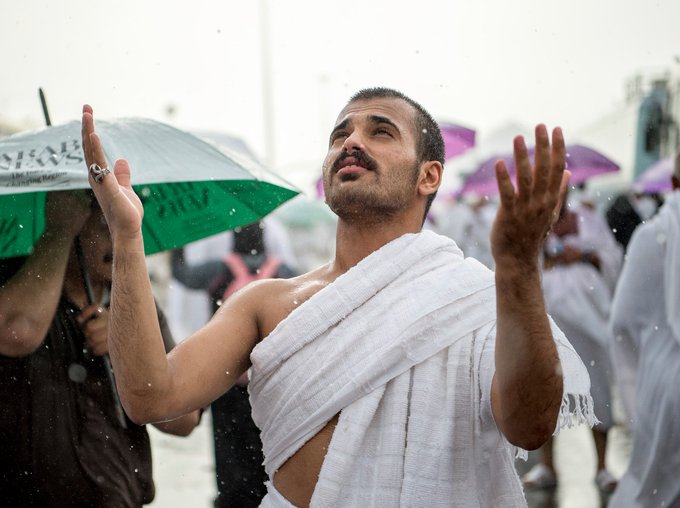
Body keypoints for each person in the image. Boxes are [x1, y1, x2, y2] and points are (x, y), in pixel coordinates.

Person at [81, 88, 596, 507]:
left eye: (380, 131)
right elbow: (151, 395)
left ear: (429, 175)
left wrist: (518, 265)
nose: (352, 141)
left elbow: (530, 425)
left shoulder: (474, 298)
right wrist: (127, 238)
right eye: (340, 133)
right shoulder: (267, 303)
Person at [0, 192, 202, 507]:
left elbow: (183, 420)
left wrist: (128, 349)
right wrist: (59, 231)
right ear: (75, 226)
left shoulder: (138, 304)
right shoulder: (17, 281)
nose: (120, 242)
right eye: (106, 227)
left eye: (128, 229)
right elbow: (16, 330)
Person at [171, 221, 296, 508]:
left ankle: (231, 498)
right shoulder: (284, 276)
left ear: (233, 241)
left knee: (229, 453)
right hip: (271, 383)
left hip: (226, 380)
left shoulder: (220, 270)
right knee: (269, 449)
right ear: (265, 241)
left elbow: (182, 274)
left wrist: (177, 241)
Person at [522, 189, 623, 494]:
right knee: (544, 391)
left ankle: (602, 466)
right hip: (548, 317)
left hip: (590, 319)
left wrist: (582, 255)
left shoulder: (589, 220)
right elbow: (518, 264)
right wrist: (546, 257)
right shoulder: (531, 221)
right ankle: (548, 466)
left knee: (598, 390)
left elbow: (612, 257)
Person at [607, 151, 680, 508]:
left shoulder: (653, 236)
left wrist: (637, 379)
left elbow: (622, 321)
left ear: (674, 183)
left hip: (667, 385)